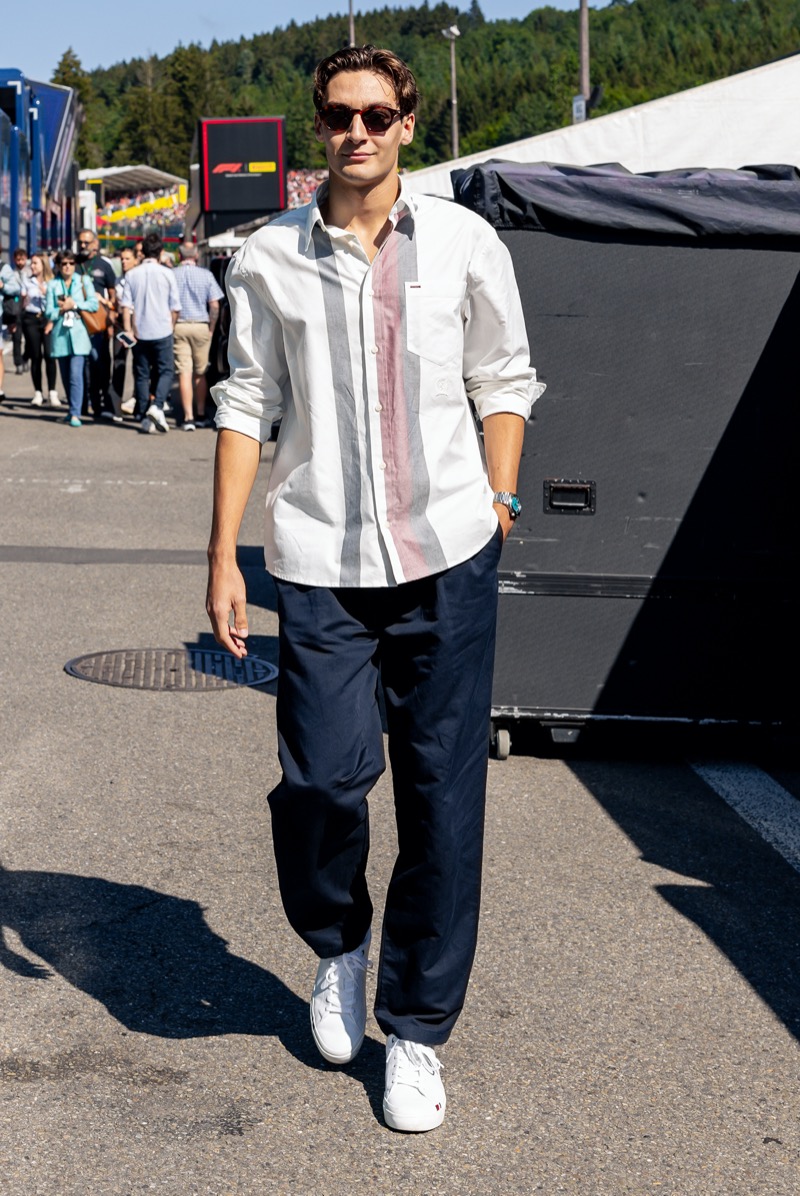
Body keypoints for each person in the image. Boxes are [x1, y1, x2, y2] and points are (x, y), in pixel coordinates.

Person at [206, 45, 543, 1133]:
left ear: (408, 123)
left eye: (374, 115)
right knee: (320, 781)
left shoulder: (463, 242)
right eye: (337, 117)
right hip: (316, 563)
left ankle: (418, 1031)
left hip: (446, 554)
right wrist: (220, 556)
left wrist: (496, 504)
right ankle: (338, 942)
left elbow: (503, 377)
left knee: (444, 803)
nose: (355, 132)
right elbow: (246, 402)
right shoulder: (267, 256)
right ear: (321, 127)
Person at [120, 232, 181, 434]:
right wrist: (171, 326)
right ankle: (157, 406)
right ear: (160, 252)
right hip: (162, 329)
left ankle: (147, 412)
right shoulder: (167, 273)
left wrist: (128, 330)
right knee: (165, 371)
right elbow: (175, 307)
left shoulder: (132, 274)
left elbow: (126, 306)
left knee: (142, 374)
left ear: (142, 252)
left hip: (139, 330)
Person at [44, 250, 99, 427]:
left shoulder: (83, 281)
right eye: (64, 264)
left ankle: (76, 412)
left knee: (76, 375)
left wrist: (74, 305)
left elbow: (93, 304)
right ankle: (71, 409)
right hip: (60, 335)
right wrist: (61, 309)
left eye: (71, 263)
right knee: (66, 377)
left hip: (79, 334)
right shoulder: (53, 285)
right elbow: (48, 312)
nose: (68, 267)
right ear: (59, 266)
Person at [172, 242, 224, 430]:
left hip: (179, 325)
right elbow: (215, 305)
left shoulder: (172, 274)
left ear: (179, 255)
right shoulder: (206, 275)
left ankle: (188, 417)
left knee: (184, 371)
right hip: (201, 325)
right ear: (195, 255)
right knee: (200, 372)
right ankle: (201, 412)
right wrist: (211, 328)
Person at [75, 229, 119, 420]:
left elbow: (113, 293)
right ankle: (83, 403)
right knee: (81, 365)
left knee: (99, 363)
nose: (83, 246)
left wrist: (110, 320)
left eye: (86, 242)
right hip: (77, 323)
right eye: (81, 242)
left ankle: (100, 402)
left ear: (95, 244)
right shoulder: (73, 263)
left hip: (98, 323)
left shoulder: (104, 265)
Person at [22, 251, 60, 407]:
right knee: (35, 355)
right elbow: (22, 301)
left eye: (35, 263)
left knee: (50, 355)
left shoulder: (52, 282)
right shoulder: (27, 281)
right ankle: (38, 392)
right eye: (31, 263)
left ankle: (52, 391)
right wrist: (24, 299)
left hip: (48, 318)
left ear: (43, 265)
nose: (32, 266)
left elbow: (58, 301)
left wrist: (47, 293)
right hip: (31, 318)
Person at [112, 246, 138, 414]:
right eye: (122, 258)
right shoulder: (119, 280)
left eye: (127, 258)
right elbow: (117, 302)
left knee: (140, 366)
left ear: (136, 260)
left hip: (139, 325)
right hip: (122, 325)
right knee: (119, 363)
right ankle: (116, 405)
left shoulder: (140, 278)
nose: (123, 262)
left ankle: (138, 402)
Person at [1, 247, 30, 375]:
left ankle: (25, 358)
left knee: (30, 338)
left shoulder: (30, 273)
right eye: (18, 260)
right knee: (16, 338)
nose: (20, 262)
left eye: (22, 259)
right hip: (16, 309)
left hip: (29, 310)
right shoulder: (11, 272)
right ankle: (18, 362)